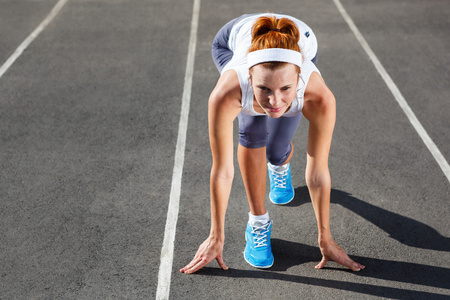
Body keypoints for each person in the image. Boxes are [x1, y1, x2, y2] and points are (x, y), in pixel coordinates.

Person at [180, 13, 365, 274]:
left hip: (302, 44)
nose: (275, 101)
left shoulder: (319, 97)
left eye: (286, 89)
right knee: (252, 131)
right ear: (250, 76)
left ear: (299, 78)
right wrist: (216, 236)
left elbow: (318, 172)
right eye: (264, 89)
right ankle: (257, 221)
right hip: (229, 42)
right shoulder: (227, 93)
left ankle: (279, 163)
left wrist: (326, 238)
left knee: (276, 150)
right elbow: (222, 170)